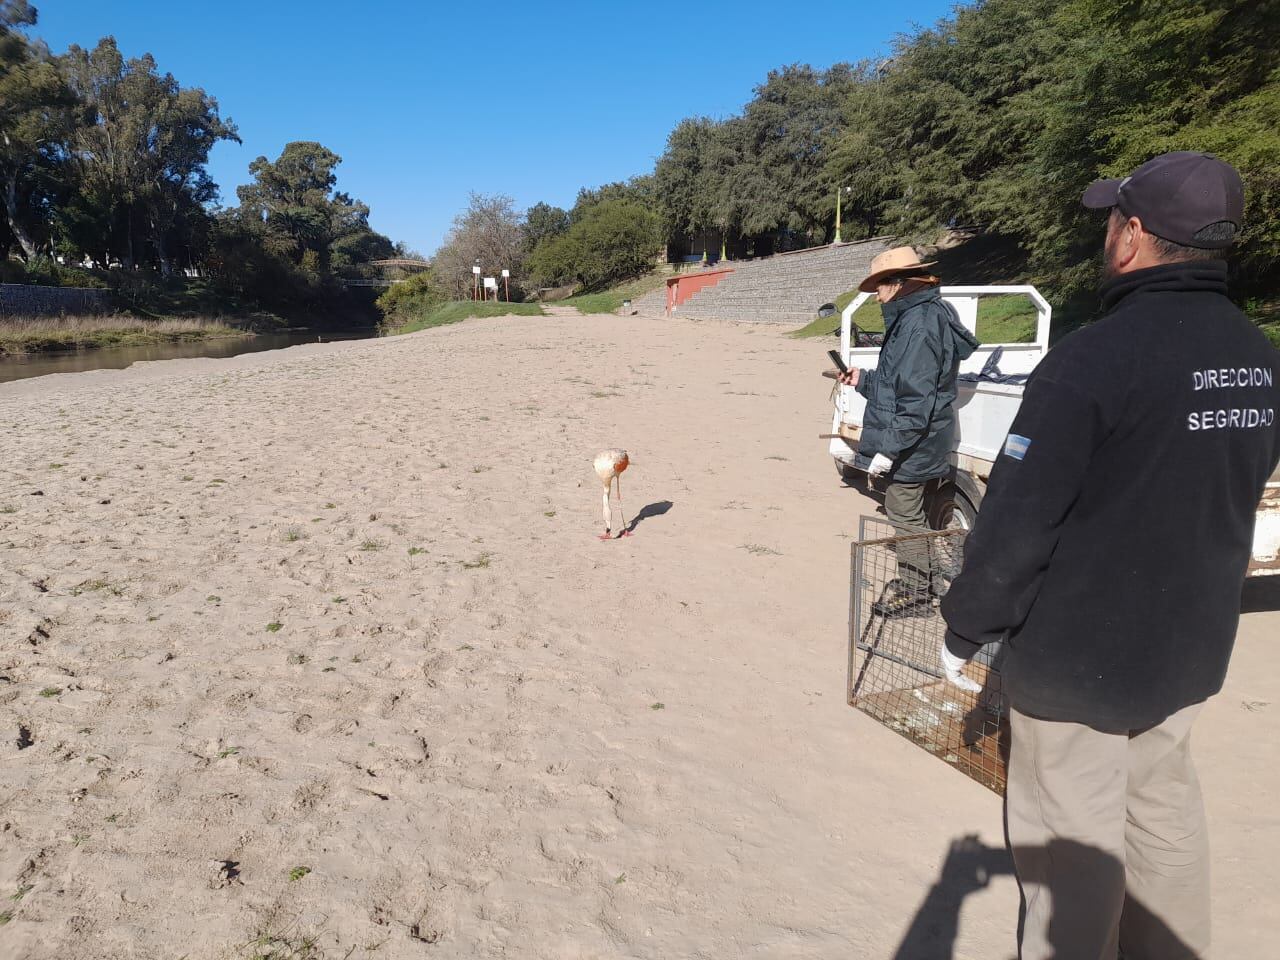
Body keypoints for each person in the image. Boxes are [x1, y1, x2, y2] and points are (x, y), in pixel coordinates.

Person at [939, 152, 1280, 959]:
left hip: (1079, 658)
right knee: (1163, 814)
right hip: (1189, 648)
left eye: (1109, 222)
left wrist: (967, 627)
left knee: (1071, 841)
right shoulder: (1260, 357)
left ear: (1132, 236)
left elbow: (1019, 521)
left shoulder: (1094, 357)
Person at [838, 246, 978, 615]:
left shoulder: (919, 324)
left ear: (897, 284)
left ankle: (918, 592)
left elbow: (916, 401)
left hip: (915, 442)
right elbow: (894, 384)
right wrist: (861, 380)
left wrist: (889, 449)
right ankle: (920, 581)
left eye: (880, 288)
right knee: (908, 510)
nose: (877, 296)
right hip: (916, 439)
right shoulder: (916, 317)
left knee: (904, 511)